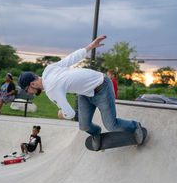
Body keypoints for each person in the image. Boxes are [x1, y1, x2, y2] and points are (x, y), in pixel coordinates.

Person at [17, 35, 145, 151]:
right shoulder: (48, 70)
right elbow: (71, 58)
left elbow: (70, 113)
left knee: (111, 125)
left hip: (102, 86)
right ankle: (96, 133)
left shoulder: (51, 89)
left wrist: (62, 113)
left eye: (27, 90)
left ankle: (135, 127)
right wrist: (91, 46)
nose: (29, 93)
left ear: (32, 84)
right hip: (84, 93)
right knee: (84, 126)